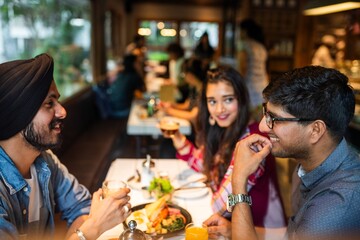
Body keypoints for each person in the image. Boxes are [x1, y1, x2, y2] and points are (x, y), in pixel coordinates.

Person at [0, 53, 132, 239]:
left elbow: (80, 208)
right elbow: (90, 221)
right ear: (18, 115)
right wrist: (90, 230)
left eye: (58, 101)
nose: (62, 111)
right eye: (49, 104)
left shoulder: (45, 161)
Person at [229, 66, 360, 240]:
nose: (262, 126)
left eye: (274, 119)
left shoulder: (337, 205)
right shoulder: (307, 164)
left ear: (315, 130)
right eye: (265, 114)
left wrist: (238, 181)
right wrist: (234, 228)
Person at [165, 66, 286, 238]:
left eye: (228, 100)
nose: (219, 109)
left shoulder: (253, 142)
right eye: (212, 101)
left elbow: (219, 206)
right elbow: (204, 163)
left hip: (263, 231)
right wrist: (177, 138)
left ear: (241, 100)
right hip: (236, 225)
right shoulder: (226, 130)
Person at [159, 58, 207, 124]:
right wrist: (172, 105)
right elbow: (187, 105)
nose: (184, 78)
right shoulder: (194, 88)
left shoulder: (204, 91)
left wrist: (169, 111)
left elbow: (193, 116)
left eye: (184, 74)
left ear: (190, 75)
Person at [237, 18, 268, 119]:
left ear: (245, 31)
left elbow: (242, 69)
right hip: (263, 87)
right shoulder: (261, 46)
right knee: (260, 120)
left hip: (250, 88)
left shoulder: (244, 45)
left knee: (248, 120)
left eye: (240, 31)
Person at [107, 54, 146, 118]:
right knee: (142, 109)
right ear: (133, 64)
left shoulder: (121, 74)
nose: (139, 64)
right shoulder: (133, 76)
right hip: (122, 110)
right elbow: (144, 90)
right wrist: (139, 71)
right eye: (137, 62)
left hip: (112, 108)